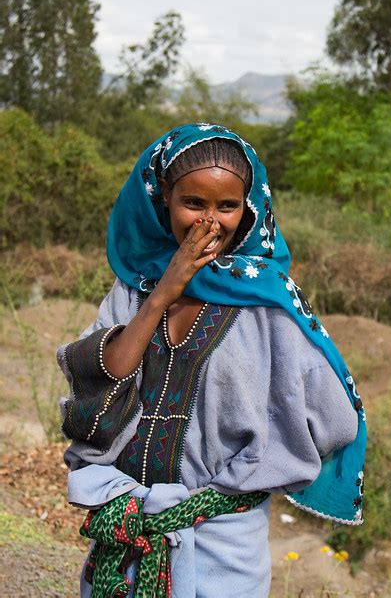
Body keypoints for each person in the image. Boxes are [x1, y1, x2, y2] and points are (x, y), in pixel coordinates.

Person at [57, 123, 367, 598]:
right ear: (164, 199)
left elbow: (332, 417)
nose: (210, 222)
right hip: (129, 535)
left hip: (224, 550)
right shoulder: (134, 290)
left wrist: (241, 474)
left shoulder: (267, 305)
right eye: (193, 204)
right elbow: (105, 374)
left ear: (248, 209)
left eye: (227, 206)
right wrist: (164, 291)